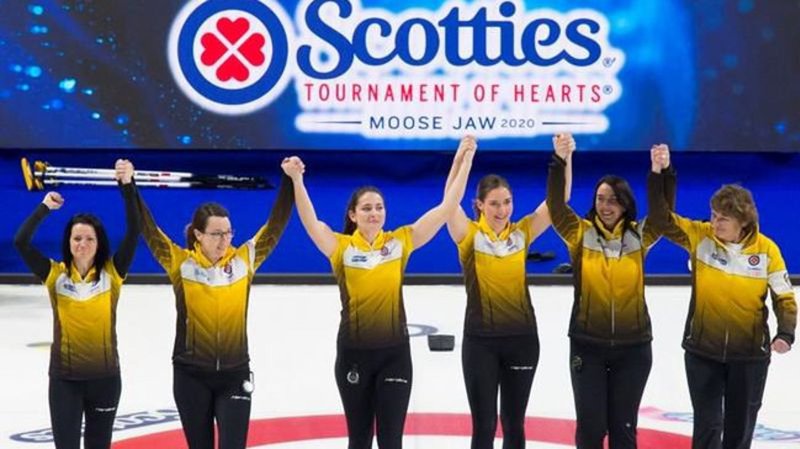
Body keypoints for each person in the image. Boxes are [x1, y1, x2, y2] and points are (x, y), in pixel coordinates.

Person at [281, 136, 476, 449]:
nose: (374, 213)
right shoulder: (340, 248)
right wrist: (297, 180)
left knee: (391, 441)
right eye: (367, 208)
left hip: (394, 356)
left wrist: (463, 161)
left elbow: (446, 208)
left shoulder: (400, 242)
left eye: (379, 207)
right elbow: (311, 222)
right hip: (353, 355)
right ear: (353, 215)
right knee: (359, 440)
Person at [135, 165, 294, 449]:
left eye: (228, 233)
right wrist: (128, 185)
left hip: (235, 373)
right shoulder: (180, 264)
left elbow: (275, 225)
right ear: (198, 235)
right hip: (190, 376)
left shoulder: (244, 261)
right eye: (216, 234)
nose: (224, 240)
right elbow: (148, 229)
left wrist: (289, 179)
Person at [647, 147, 796, 449]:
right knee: (707, 425)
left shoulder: (767, 251)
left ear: (743, 221)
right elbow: (661, 220)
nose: (715, 223)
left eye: (723, 219)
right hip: (703, 353)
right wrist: (661, 173)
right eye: (713, 215)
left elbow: (784, 297)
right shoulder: (700, 237)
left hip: (749, 357)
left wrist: (786, 333)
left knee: (739, 429)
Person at [442, 134, 573, 449]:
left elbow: (559, 201)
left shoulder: (522, 233)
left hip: (522, 341)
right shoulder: (468, 235)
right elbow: (449, 203)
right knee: (484, 425)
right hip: (481, 343)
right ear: (479, 205)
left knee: (515, 425)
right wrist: (462, 160)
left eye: (507, 202)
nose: (502, 210)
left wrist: (564, 158)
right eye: (494, 203)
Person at [546, 143, 676, 449]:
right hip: (587, 347)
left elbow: (663, 214)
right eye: (601, 199)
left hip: (634, 350)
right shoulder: (579, 234)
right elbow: (556, 207)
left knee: (623, 430)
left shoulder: (639, 236)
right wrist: (560, 160)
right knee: (590, 430)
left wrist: (662, 172)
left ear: (625, 204)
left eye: (614, 200)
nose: (606, 206)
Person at [13, 160, 140, 449]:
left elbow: (134, 231)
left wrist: (127, 185)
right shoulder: (54, 275)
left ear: (99, 243)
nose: (82, 243)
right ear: (69, 242)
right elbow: (21, 242)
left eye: (89, 238)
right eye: (77, 238)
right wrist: (44, 207)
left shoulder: (112, 273)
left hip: (106, 380)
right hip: (64, 382)